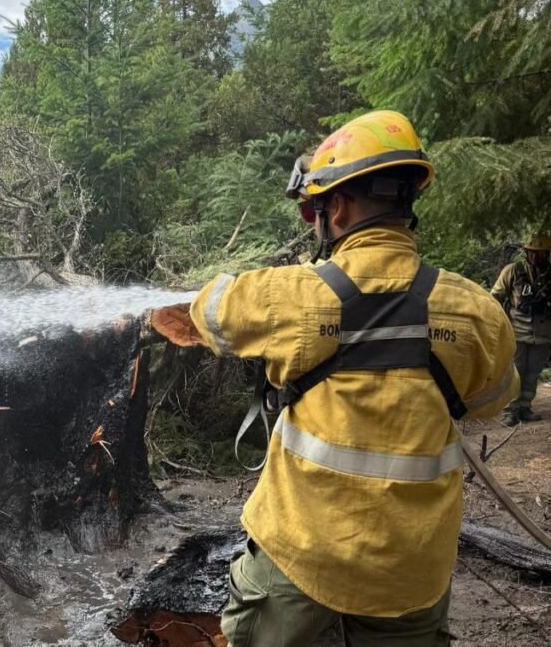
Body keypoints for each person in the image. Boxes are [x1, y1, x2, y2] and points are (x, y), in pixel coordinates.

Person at [182, 111, 519, 645]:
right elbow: (490, 402)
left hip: (303, 554)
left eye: (314, 209)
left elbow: (211, 311)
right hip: (413, 566)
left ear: (335, 208)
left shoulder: (288, 295)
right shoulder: (479, 312)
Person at [491, 234, 551, 425]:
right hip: (516, 331)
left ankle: (525, 407)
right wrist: (498, 324)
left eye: (538, 253)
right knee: (514, 372)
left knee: (533, 373)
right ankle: (509, 410)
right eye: (531, 252)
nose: (534, 256)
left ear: (547, 253)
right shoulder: (513, 271)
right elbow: (495, 298)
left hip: (544, 334)